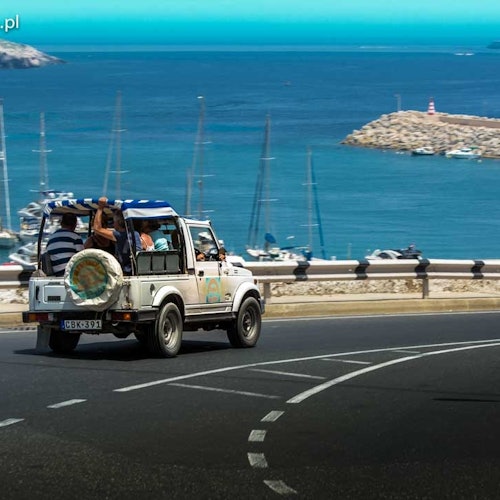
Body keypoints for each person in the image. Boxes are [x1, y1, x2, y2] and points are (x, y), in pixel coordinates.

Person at [92, 197, 141, 275]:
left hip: (125, 270)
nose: (113, 224)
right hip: (136, 269)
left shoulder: (119, 235)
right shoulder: (135, 234)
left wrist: (100, 208)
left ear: (118, 222)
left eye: (113, 222)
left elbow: (97, 228)